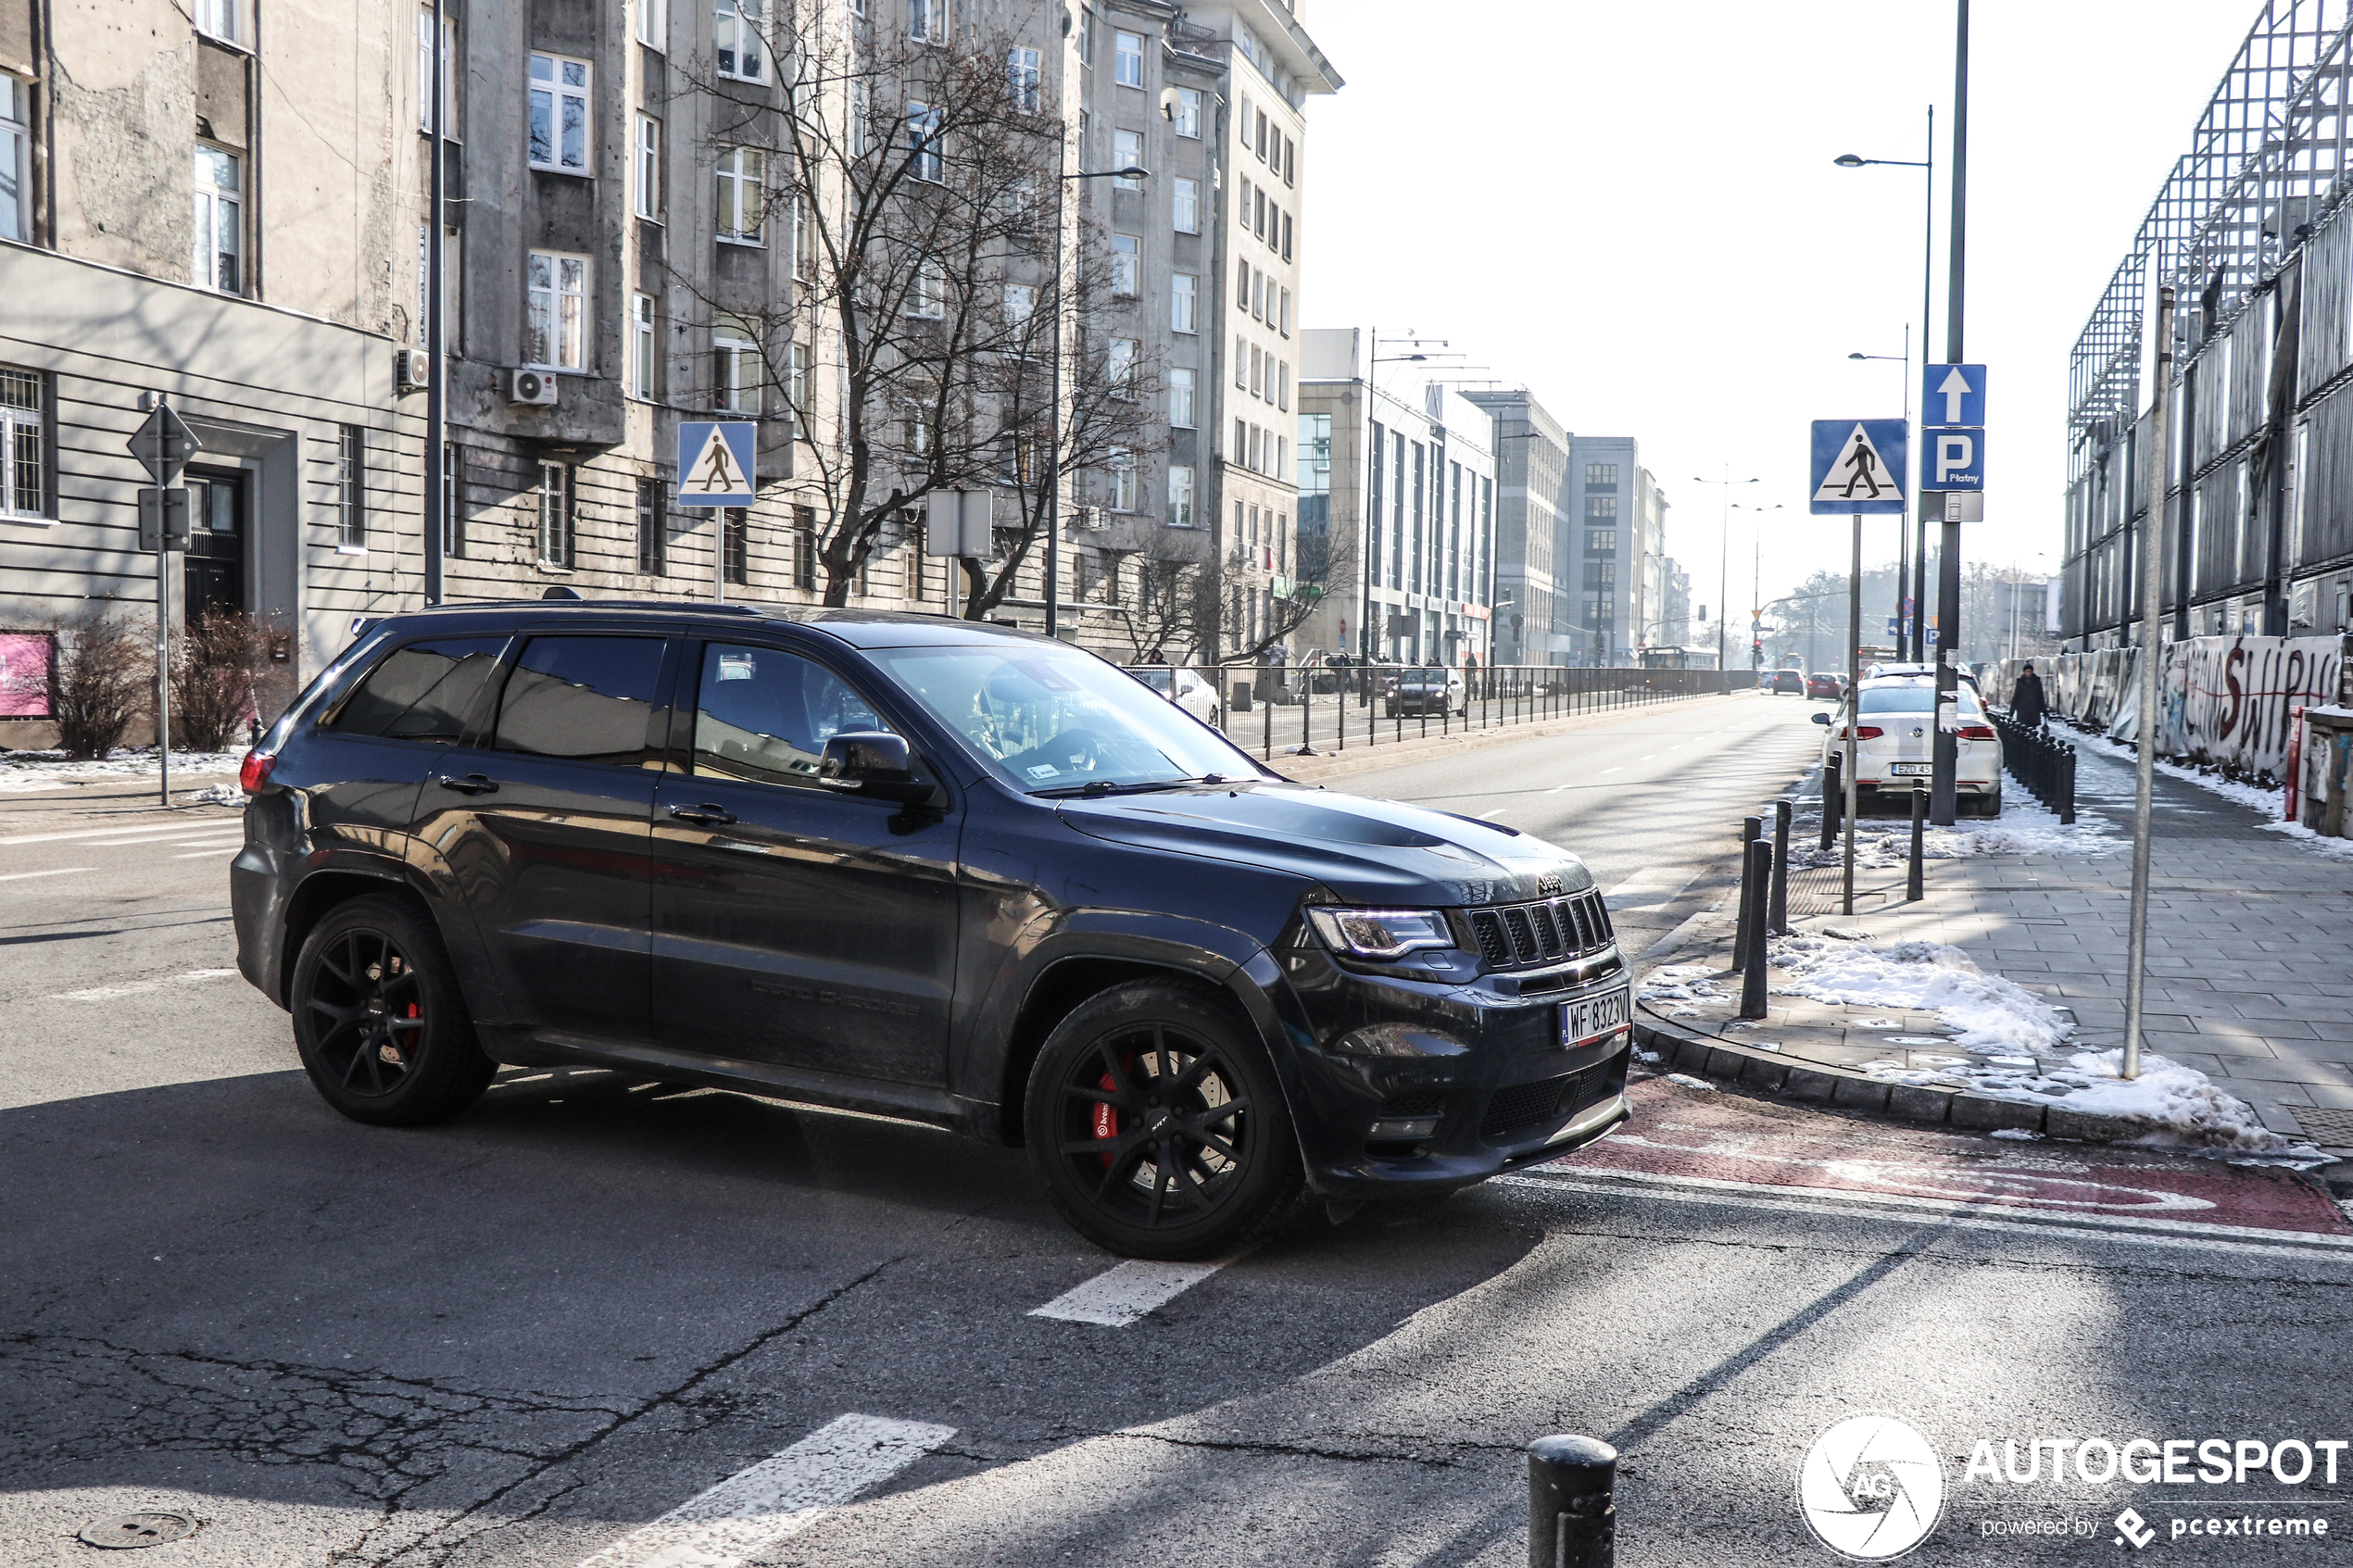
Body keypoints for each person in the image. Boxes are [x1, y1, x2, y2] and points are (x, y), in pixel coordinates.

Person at [2011, 662, 2047, 729]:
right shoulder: (2020, 682)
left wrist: (2044, 711)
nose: (2028, 673)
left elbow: (2040, 697)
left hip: (2034, 711)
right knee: (2023, 731)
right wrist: (2011, 711)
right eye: (2027, 671)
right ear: (2024, 672)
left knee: (2033, 731)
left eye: (2029, 671)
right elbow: (2016, 696)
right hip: (2023, 711)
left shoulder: (2037, 682)